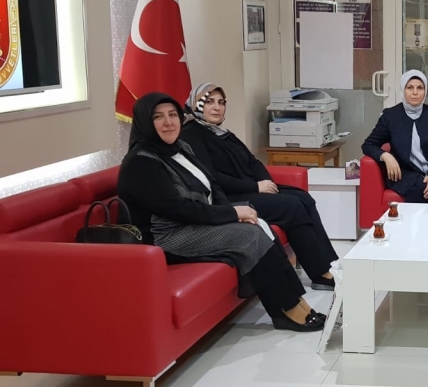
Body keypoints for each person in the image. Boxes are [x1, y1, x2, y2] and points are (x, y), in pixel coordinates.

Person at [117, 93, 325, 332]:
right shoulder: (141, 163)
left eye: (173, 115)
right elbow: (179, 209)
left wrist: (232, 211)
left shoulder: (181, 148)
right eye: (158, 117)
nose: (168, 122)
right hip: (167, 237)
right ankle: (286, 310)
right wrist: (231, 215)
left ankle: (296, 301)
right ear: (145, 122)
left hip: (193, 224)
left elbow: (212, 185)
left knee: (258, 225)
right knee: (250, 236)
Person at [180, 82, 339, 291]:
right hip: (227, 199)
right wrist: (256, 187)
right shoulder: (192, 134)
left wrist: (267, 183)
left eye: (221, 102)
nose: (217, 107)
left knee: (303, 198)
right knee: (291, 206)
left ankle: (328, 264)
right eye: (209, 102)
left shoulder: (221, 132)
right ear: (196, 105)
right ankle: (320, 273)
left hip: (248, 188)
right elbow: (211, 178)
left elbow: (252, 161)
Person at [362, 70, 428, 204]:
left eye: (420, 88)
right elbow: (368, 145)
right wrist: (386, 156)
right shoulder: (391, 116)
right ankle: (415, 218)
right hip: (404, 173)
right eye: (410, 88)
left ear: (425, 91)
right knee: (420, 187)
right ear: (403, 90)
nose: (415, 92)